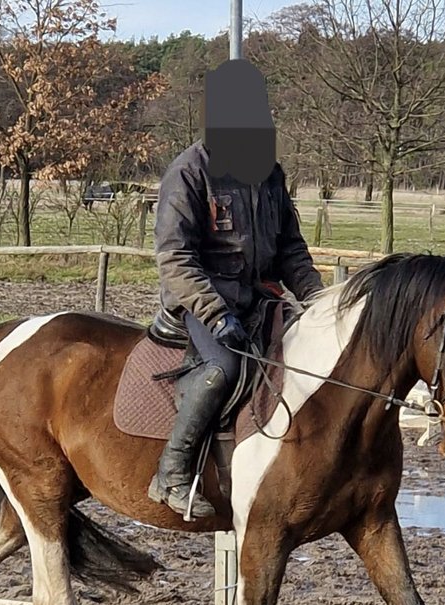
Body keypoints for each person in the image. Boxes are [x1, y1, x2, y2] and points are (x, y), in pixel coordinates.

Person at [147, 59, 323, 518]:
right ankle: (172, 471)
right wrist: (215, 313)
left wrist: (320, 301)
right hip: (202, 304)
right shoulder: (188, 172)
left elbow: (291, 249)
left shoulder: (268, 172)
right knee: (222, 368)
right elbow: (175, 258)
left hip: (260, 300)